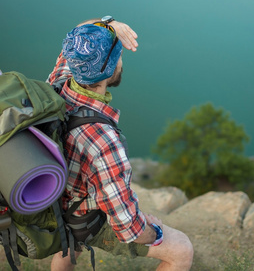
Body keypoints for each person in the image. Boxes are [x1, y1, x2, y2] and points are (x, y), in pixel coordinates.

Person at [48, 17, 194, 271]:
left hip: (53, 201)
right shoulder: (103, 139)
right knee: (181, 249)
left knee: (70, 244)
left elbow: (77, 36)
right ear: (112, 67)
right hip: (82, 217)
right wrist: (155, 231)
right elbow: (129, 227)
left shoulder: (57, 82)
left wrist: (107, 24)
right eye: (120, 57)